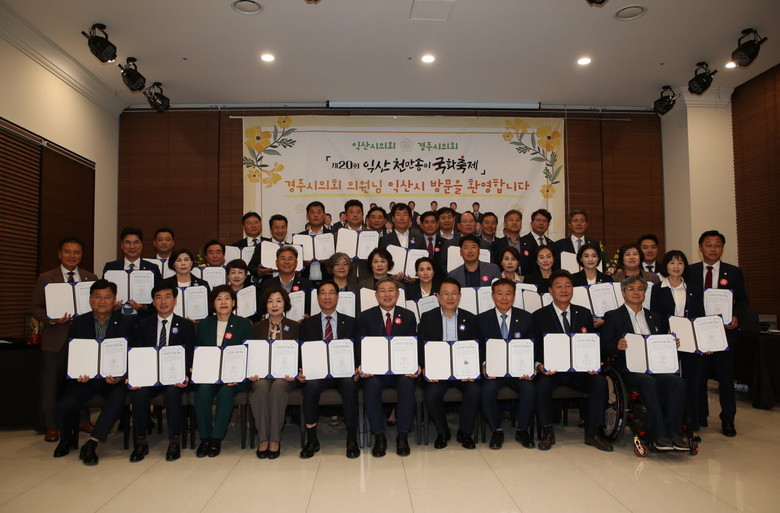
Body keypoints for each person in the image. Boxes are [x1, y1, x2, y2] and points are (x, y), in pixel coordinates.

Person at [52, 280, 135, 465]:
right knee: (65, 403)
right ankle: (65, 440)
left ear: (114, 300)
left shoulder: (126, 322)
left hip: (113, 379)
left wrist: (121, 375)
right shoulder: (79, 323)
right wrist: (77, 373)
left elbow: (132, 353)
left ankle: (92, 443)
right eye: (98, 297)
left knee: (117, 398)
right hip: (86, 378)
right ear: (90, 300)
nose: (102, 301)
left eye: (107, 297)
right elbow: (74, 353)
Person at [602, 276, 688, 451]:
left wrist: (671, 343)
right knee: (648, 382)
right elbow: (603, 346)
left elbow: (661, 341)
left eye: (640, 289)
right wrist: (617, 346)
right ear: (623, 292)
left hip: (655, 367)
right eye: (631, 289)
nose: (636, 292)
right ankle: (659, 434)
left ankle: (675, 432)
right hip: (629, 369)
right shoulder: (613, 316)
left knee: (677, 382)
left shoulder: (655, 316)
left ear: (645, 292)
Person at [532, 270, 612, 452]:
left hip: (579, 371)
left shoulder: (583, 313)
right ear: (550, 290)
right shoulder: (539, 315)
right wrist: (539, 365)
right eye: (559, 286)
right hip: (552, 371)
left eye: (568, 286)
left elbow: (592, 342)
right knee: (541, 385)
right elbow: (534, 346)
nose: (564, 290)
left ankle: (594, 433)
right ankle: (547, 432)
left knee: (599, 382)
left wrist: (595, 362)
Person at [31, 237, 99, 442]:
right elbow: (35, 308)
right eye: (68, 252)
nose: (72, 256)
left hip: (83, 339)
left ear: (81, 255)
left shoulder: (90, 278)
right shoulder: (46, 278)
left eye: (76, 252)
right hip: (55, 338)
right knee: (51, 385)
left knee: (83, 380)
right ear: (60, 254)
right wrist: (51, 318)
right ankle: (51, 425)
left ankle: (83, 419)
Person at [686, 230, 748, 437]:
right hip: (698, 333)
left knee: (725, 378)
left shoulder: (734, 272)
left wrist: (736, 317)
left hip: (724, 334)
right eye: (708, 244)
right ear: (700, 247)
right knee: (698, 377)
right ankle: (700, 415)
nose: (713, 249)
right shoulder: (690, 271)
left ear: (722, 248)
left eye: (717, 245)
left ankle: (728, 419)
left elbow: (742, 300)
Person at [128, 284, 195, 462]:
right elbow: (137, 353)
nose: (163, 301)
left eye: (167, 296)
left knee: (173, 392)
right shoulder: (144, 325)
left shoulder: (186, 325)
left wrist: (185, 375)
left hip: (175, 377)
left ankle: (174, 441)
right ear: (153, 301)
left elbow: (190, 354)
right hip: (150, 376)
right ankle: (140, 442)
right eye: (158, 297)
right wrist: (134, 376)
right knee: (140, 393)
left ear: (175, 300)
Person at [298, 281, 360, 459]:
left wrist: (358, 367)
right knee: (310, 387)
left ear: (338, 297)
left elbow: (357, 349)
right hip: (318, 373)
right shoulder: (307, 324)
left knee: (350, 385)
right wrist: (301, 370)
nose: (327, 297)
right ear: (317, 297)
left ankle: (351, 438)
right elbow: (302, 351)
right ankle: (312, 440)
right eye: (323, 293)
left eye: (331, 293)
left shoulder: (351, 322)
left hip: (343, 373)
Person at [358, 278, 418, 457]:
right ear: (376, 295)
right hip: (376, 371)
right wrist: (362, 365)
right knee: (371, 386)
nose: (387, 294)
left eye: (391, 290)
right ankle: (379, 436)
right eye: (382, 290)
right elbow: (360, 345)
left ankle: (402, 436)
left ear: (398, 294)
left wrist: (415, 364)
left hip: (401, 370)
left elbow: (413, 344)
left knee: (407, 384)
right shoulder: (366, 316)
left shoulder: (408, 316)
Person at [650, 249, 706, 441]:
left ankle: (692, 425)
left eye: (680, 263)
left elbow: (700, 315)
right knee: (671, 383)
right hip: (667, 341)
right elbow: (655, 315)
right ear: (666, 266)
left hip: (690, 342)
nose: (676, 266)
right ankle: (671, 424)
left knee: (692, 383)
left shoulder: (694, 288)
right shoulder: (658, 288)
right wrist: (665, 333)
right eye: (672, 263)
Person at [419, 278, 480, 449]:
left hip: (463, 372)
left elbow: (477, 348)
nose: (450, 297)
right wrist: (425, 369)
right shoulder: (428, 318)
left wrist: (473, 370)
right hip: (438, 372)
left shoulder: (470, 318)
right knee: (432, 393)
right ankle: (442, 431)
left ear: (460, 296)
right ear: (438, 296)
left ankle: (465, 432)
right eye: (445, 294)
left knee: (474, 390)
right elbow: (420, 346)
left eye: (454, 293)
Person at [194, 285, 253, 458]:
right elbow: (199, 351)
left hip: (234, 377)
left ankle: (216, 439)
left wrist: (239, 375)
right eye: (218, 298)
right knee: (203, 391)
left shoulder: (243, 323)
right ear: (213, 303)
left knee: (226, 392)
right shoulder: (205, 324)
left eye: (227, 298)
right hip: (210, 374)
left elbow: (250, 352)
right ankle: (205, 438)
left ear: (233, 302)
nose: (223, 302)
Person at [477, 278, 536, 449]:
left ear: (514, 296)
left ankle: (522, 430)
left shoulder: (526, 318)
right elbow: (478, 347)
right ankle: (496, 431)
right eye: (499, 293)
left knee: (529, 389)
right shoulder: (481, 319)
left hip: (518, 371)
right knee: (487, 390)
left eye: (508, 294)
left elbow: (534, 345)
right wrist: (484, 365)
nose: (504, 298)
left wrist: (532, 366)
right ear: (492, 296)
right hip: (494, 372)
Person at [249, 285, 301, 459]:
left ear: (285, 304)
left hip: (286, 376)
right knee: (260, 387)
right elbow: (251, 353)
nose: (274, 305)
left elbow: (300, 353)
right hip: (261, 374)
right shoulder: (257, 327)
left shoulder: (295, 326)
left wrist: (295, 370)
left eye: (278, 301)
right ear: (265, 305)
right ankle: (263, 438)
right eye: (270, 301)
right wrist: (252, 371)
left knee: (278, 387)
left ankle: (275, 439)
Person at [103, 227, 161, 317]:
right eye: (128, 242)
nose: (132, 246)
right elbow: (103, 293)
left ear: (142, 245)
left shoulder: (152, 268)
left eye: (136, 242)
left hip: (144, 319)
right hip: (117, 318)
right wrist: (111, 307)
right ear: (121, 245)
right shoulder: (111, 267)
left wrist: (145, 307)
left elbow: (159, 295)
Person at [259, 245, 313, 319]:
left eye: (290, 259)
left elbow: (309, 308)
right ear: (277, 263)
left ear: (296, 263)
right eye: (283, 259)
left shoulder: (307, 284)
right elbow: (262, 309)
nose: (286, 262)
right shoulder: (267, 284)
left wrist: (307, 317)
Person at [518, 209, 554, 275]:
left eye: (544, 221)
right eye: (538, 220)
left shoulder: (551, 244)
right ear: (531, 223)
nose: (541, 223)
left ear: (548, 224)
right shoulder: (521, 241)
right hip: (529, 279)